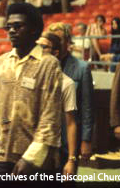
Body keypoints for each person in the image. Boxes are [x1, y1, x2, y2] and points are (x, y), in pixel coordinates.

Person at [0, 3, 63, 176]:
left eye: (18, 26)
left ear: (33, 30)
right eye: (8, 27)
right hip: (1, 156)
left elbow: (51, 115)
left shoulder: (49, 64)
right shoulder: (1, 63)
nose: (11, 31)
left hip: (34, 159)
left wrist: (32, 158)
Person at [48, 22, 94, 163]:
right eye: (52, 39)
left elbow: (87, 108)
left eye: (59, 39)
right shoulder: (40, 67)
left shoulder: (82, 68)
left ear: (68, 42)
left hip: (69, 139)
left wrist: (86, 140)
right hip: (45, 138)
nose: (55, 43)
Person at [36, 32, 78, 178]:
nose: (39, 49)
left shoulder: (67, 83)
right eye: (37, 46)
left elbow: (71, 123)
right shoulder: (27, 77)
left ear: (55, 52)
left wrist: (71, 160)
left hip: (51, 151)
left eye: (44, 47)